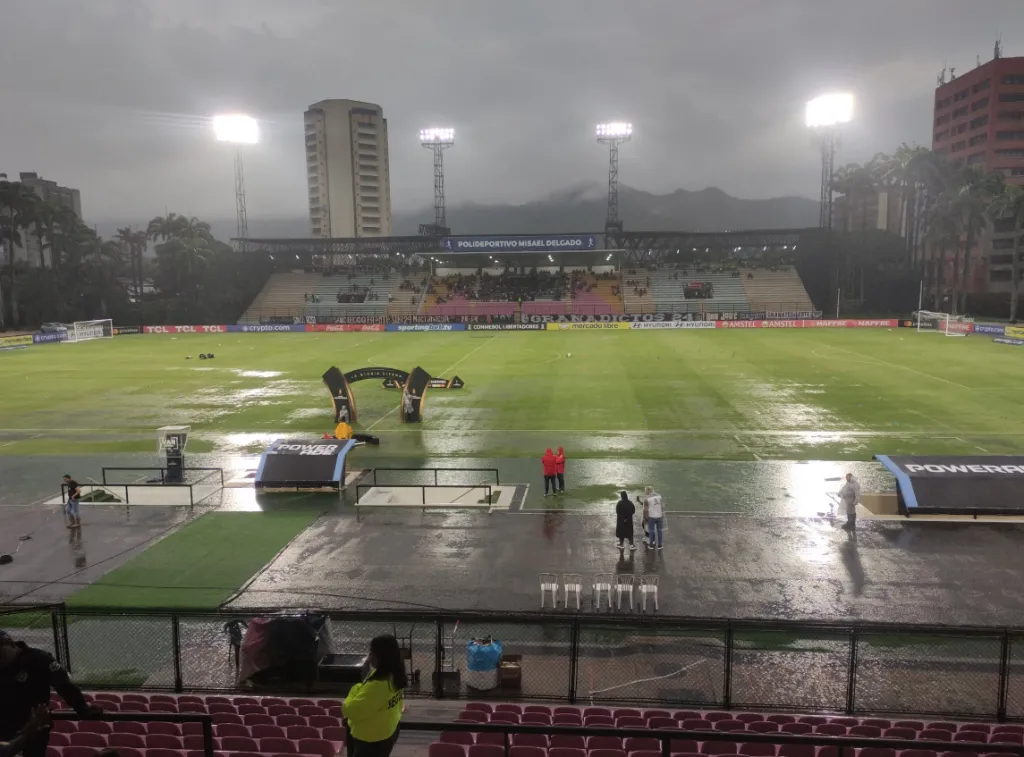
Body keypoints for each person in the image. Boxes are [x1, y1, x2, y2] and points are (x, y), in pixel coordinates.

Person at [0, 631, 101, 757]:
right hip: (4, 729)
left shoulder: (39, 659)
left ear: (10, 644)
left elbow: (64, 686)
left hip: (36, 729)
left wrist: (83, 709)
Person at [343, 634, 406, 757]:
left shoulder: (377, 686)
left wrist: (355, 689)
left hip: (370, 739)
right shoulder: (396, 675)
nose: (369, 656)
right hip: (388, 731)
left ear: (381, 656)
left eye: (372, 652)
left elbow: (349, 710)